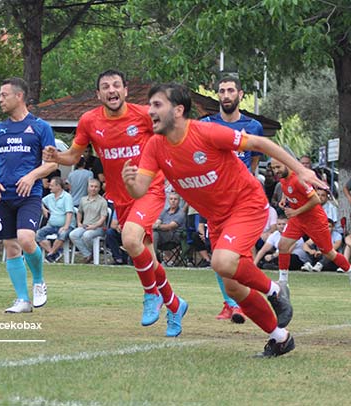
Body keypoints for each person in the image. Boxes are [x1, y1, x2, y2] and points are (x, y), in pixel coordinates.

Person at [122, 82, 328, 356]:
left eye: (157, 105)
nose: (150, 111)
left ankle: (275, 290)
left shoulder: (205, 132)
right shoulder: (155, 146)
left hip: (247, 203)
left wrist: (301, 171)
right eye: (150, 105)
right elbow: (140, 190)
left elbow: (260, 142)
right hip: (218, 218)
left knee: (222, 261)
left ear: (179, 110)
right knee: (232, 285)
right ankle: (280, 338)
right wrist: (129, 182)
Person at [43, 70, 185, 337]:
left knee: (130, 240)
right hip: (120, 197)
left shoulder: (144, 115)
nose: (111, 90)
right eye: (105, 87)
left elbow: (175, 133)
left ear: (125, 90)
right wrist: (56, 156)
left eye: (116, 85)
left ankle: (150, 295)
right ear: (98, 94)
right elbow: (74, 155)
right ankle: (175, 305)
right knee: (148, 259)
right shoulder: (89, 120)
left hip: (149, 190)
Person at [0, 77, 56, 313]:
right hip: (3, 196)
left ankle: (38, 281)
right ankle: (22, 300)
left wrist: (31, 176)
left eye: (4, 95)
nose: (0, 99)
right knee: (11, 247)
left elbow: (52, 164)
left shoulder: (40, 127)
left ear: (19, 96)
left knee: (26, 239)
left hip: (30, 194)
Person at [201, 76, 265, 323]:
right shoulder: (207, 124)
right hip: (214, 199)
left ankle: (246, 302)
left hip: (242, 199)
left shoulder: (253, 126)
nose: (225, 95)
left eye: (230, 91)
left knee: (243, 254)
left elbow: (253, 166)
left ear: (240, 94)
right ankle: (230, 303)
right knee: (219, 255)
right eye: (221, 91)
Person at [271, 157, 351, 281]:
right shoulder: (283, 178)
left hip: (315, 221)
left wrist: (295, 211)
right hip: (297, 220)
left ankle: (349, 270)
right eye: (273, 168)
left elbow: (316, 200)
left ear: (286, 164)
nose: (276, 171)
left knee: (329, 253)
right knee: (283, 246)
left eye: (278, 167)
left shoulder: (299, 180)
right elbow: (286, 189)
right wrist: (284, 199)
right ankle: (283, 281)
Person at [36, 176, 74, 263]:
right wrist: (43, 209)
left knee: (62, 234)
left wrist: (66, 226)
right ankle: (54, 253)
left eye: (52, 185)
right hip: (51, 225)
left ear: (58, 186)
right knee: (38, 234)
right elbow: (38, 200)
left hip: (65, 225)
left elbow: (69, 213)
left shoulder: (67, 197)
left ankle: (51, 254)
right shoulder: (50, 197)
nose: (49, 187)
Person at [69, 178, 107, 263]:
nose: (93, 189)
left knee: (86, 235)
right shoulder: (83, 199)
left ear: (99, 188)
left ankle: (92, 253)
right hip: (85, 226)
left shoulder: (102, 201)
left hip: (98, 228)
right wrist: (79, 222)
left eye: (96, 187)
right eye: (91, 186)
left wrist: (94, 226)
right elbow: (79, 212)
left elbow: (103, 218)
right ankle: (88, 254)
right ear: (88, 188)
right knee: (73, 234)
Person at [152, 192, 185, 265]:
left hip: (173, 236)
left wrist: (156, 226)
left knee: (154, 233)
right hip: (161, 235)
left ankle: (152, 258)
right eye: (171, 199)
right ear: (168, 201)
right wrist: (155, 225)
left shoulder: (180, 213)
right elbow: (158, 221)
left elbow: (170, 227)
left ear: (179, 201)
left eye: (175, 199)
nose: (173, 201)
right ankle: (151, 256)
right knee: (152, 233)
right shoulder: (164, 211)